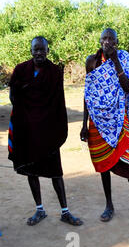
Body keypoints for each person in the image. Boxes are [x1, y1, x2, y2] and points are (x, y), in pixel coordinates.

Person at [80, 28, 129, 224]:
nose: (107, 42)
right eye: (104, 38)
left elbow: (127, 88)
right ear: (99, 41)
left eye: (111, 39)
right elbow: (88, 95)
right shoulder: (92, 61)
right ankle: (109, 205)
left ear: (116, 42)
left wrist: (115, 61)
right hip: (97, 121)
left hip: (119, 119)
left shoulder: (123, 57)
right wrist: (83, 125)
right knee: (104, 164)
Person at [8, 36, 83, 226]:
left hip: (47, 132)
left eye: (42, 50)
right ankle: (39, 209)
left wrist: (52, 130)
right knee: (31, 171)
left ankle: (65, 211)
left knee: (56, 172)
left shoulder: (54, 73)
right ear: (31, 50)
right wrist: (26, 119)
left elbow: (57, 104)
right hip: (27, 130)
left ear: (47, 51)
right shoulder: (20, 70)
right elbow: (13, 97)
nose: (39, 53)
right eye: (36, 49)